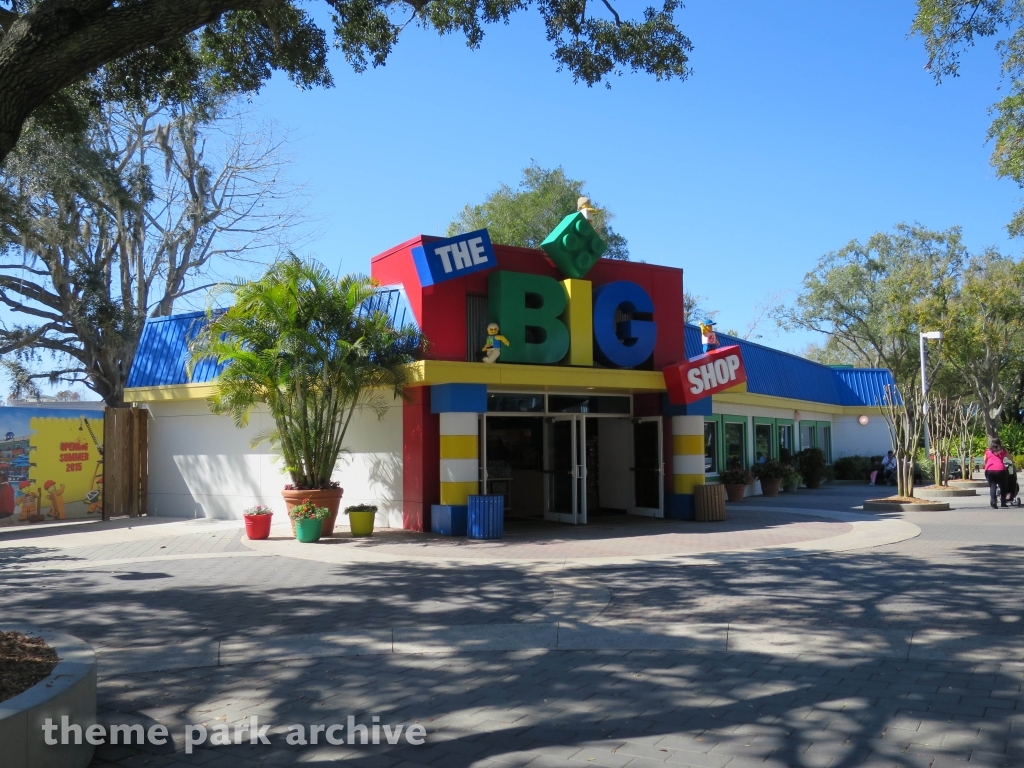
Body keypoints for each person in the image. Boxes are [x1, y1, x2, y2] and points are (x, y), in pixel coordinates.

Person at [984, 438, 1011, 509]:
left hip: (989, 469)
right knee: (1003, 486)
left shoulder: (988, 451)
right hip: (1001, 470)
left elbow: (985, 460)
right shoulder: (1003, 450)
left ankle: (993, 501)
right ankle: (1003, 502)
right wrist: (1012, 461)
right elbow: (1010, 458)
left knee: (992, 486)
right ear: (1000, 443)